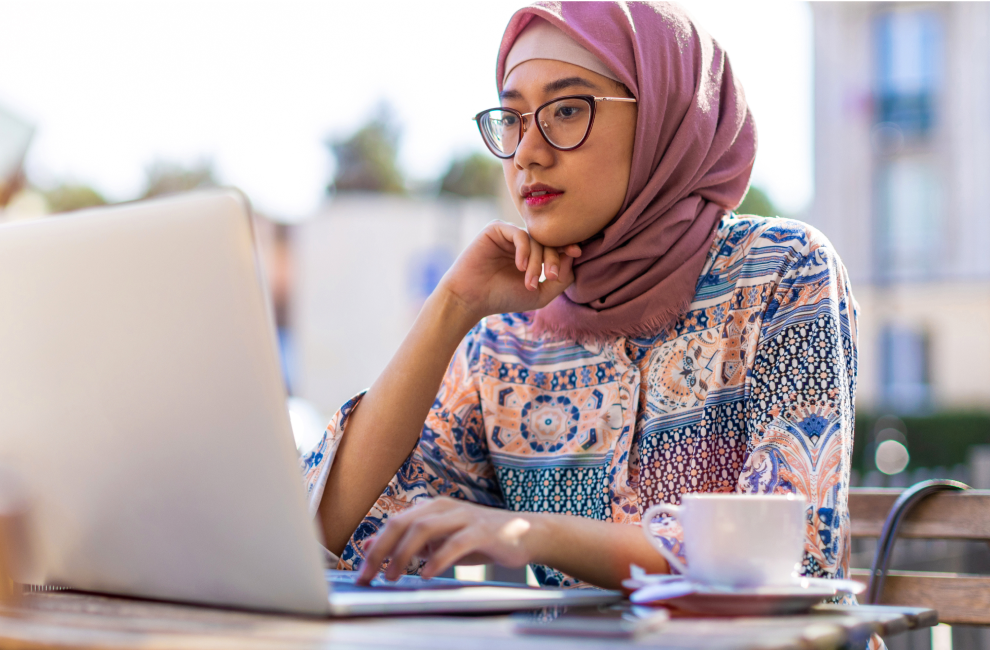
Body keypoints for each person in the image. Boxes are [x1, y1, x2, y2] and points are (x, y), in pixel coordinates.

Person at [302, 1, 857, 591]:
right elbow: (338, 538)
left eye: (567, 110)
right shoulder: (507, 342)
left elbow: (792, 550)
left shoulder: (780, 272)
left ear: (664, 119)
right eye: (513, 120)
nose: (527, 153)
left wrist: (527, 532)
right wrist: (450, 308)